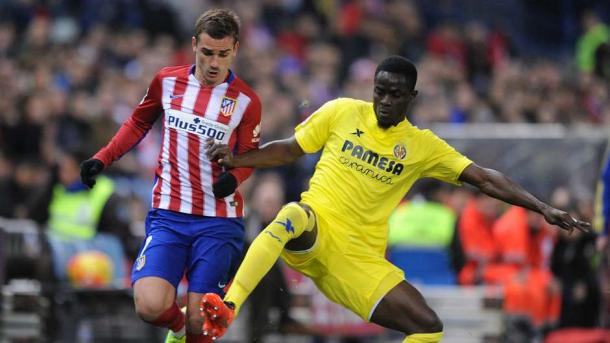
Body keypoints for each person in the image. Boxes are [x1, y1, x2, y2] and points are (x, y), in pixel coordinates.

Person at [201, 56, 589, 342]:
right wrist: (237, 157)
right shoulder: (341, 112)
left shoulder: (421, 146)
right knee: (291, 212)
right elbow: (289, 149)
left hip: (360, 261)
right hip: (314, 228)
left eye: (395, 94)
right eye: (379, 92)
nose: (385, 101)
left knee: (429, 328)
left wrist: (542, 207)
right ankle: (228, 307)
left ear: (411, 97)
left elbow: (484, 178)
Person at [79, 8, 261, 343]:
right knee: (149, 305)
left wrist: (233, 179)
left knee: (200, 319)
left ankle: (188, 330)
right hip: (169, 215)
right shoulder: (167, 81)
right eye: (207, 53)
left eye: (222, 54)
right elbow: (138, 122)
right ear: (194, 45)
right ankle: (177, 331)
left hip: (218, 221)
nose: (214, 63)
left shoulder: (247, 102)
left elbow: (249, 157)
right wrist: (103, 158)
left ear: (235, 49)